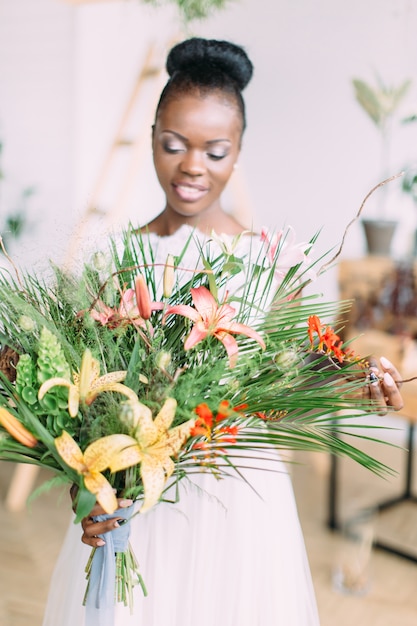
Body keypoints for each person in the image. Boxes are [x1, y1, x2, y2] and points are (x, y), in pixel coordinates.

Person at [42, 37, 404, 626]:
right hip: (140, 506)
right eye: (174, 145)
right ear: (154, 136)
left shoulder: (268, 260)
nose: (192, 166)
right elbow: (83, 407)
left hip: (242, 505)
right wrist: (87, 496)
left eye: (215, 150)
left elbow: (293, 379)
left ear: (237, 153)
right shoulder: (116, 257)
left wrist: (355, 380)